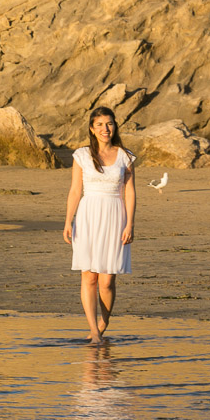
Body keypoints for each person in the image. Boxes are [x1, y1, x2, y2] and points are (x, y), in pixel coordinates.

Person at [63, 107, 136, 344]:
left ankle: (105, 320)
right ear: (92, 129)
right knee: (89, 276)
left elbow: (130, 192)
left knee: (107, 280)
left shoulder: (125, 156)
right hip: (88, 215)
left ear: (115, 126)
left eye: (109, 124)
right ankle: (94, 331)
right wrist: (68, 221)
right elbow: (75, 191)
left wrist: (130, 224)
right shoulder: (82, 155)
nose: (106, 129)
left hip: (115, 215)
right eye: (100, 125)